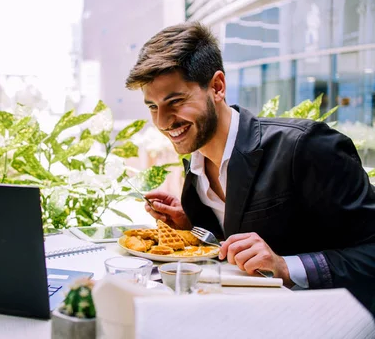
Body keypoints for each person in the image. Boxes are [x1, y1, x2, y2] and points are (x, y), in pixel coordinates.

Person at [126, 22, 375, 314]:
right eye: (153, 107)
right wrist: (190, 229)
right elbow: (235, 238)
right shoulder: (194, 171)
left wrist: (285, 266)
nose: (163, 121)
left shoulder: (305, 147)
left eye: (175, 101)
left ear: (217, 87)